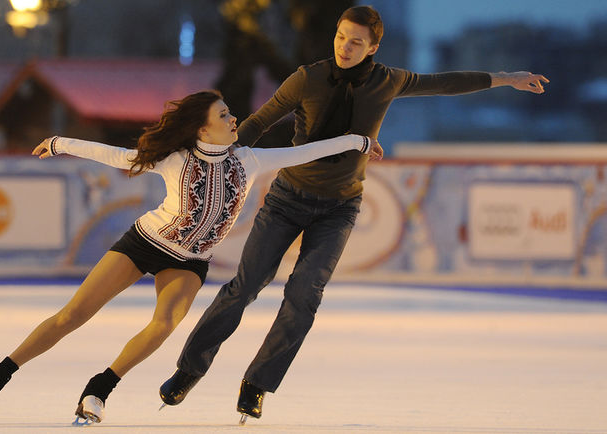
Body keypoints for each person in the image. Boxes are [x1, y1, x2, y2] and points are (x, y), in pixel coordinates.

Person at [160, 5, 549, 422]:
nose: (346, 47)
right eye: (342, 37)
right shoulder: (306, 78)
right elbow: (260, 121)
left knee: (304, 296)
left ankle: (257, 384)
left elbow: (445, 83)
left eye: (357, 42)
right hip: (288, 199)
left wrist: (506, 78)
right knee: (246, 286)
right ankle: (189, 370)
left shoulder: (389, 81)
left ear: (373, 48)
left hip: (340, 207)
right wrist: (221, 159)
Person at [0, 90, 377, 425]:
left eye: (231, 113)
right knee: (72, 316)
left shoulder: (249, 160)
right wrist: (59, 143)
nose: (235, 120)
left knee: (163, 326)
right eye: (225, 114)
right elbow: (115, 155)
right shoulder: (174, 158)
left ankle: (99, 389)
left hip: (190, 261)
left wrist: (359, 141)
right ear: (202, 127)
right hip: (145, 242)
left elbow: (308, 151)